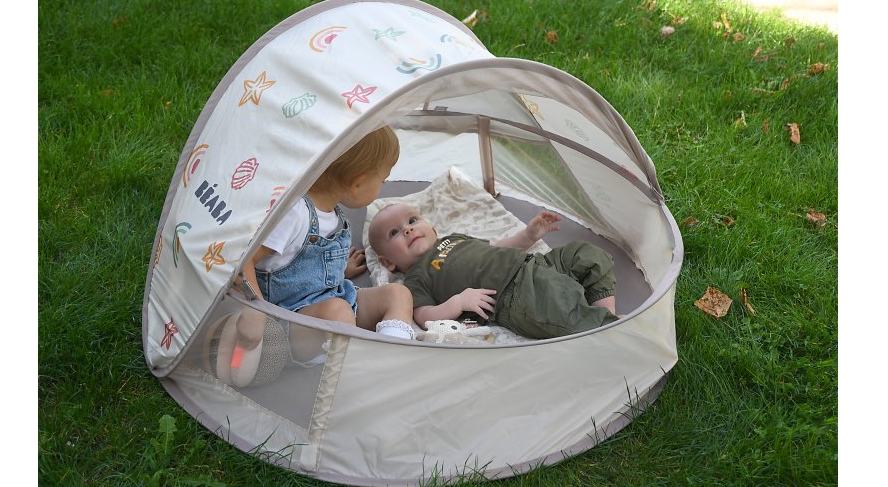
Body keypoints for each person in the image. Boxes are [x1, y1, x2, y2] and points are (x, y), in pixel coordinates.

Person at [234, 127, 416, 349]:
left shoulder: (331, 211)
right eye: (383, 181)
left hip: (335, 299)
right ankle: (355, 364)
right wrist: (254, 309)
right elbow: (243, 259)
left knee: (398, 294)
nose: (382, 186)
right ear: (357, 183)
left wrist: (337, 271)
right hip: (290, 320)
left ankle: (392, 352)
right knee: (338, 312)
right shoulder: (295, 213)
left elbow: (302, 267)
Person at [368, 203, 619, 340]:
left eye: (412, 220)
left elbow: (497, 248)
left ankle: (606, 312)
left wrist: (528, 235)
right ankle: (612, 331)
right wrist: (459, 302)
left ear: (433, 229)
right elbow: (424, 316)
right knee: (560, 305)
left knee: (585, 254)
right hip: (514, 295)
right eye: (394, 232)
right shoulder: (415, 278)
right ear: (388, 262)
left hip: (535, 263)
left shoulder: (453, 238)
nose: (408, 229)